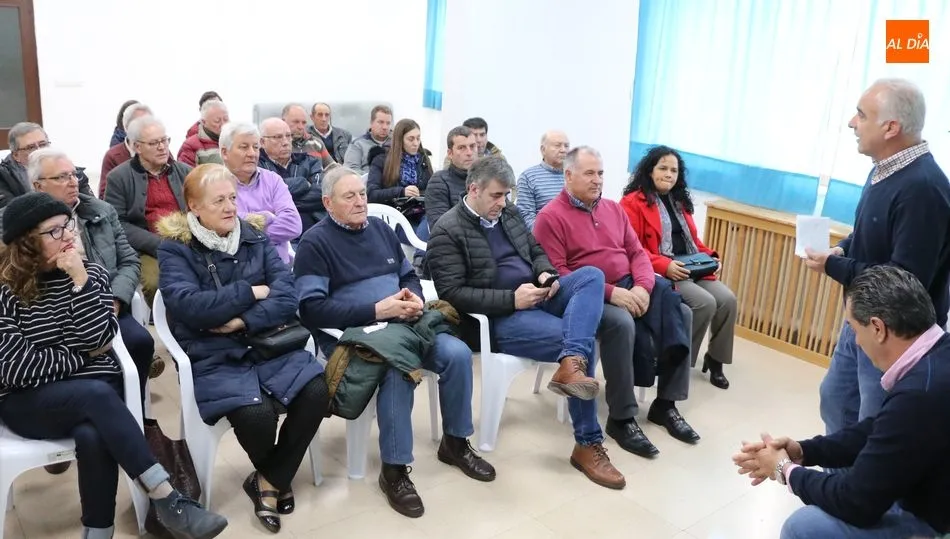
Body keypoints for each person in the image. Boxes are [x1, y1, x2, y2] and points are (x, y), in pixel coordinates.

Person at [0, 192, 228, 539]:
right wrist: (79, 359)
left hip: (90, 396)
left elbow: (99, 339)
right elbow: (15, 369)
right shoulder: (5, 291)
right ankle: (166, 496)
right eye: (55, 231)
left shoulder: (88, 272)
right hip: (28, 402)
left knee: (93, 432)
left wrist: (80, 282)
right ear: (27, 241)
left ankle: (98, 531)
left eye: (69, 226)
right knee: (95, 394)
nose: (69, 236)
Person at [294, 166, 494, 519]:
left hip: (403, 322)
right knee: (397, 369)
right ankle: (395, 469)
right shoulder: (315, 243)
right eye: (349, 196)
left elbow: (406, 274)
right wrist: (375, 309)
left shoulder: (381, 229)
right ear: (328, 203)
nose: (360, 202)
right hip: (357, 336)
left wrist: (412, 297)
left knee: (458, 354)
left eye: (362, 193)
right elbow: (311, 309)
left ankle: (456, 442)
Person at [427, 156, 627, 489]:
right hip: (502, 317)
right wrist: (511, 300)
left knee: (591, 275)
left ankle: (571, 366)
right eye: (495, 196)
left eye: (506, 195)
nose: (502, 203)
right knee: (583, 346)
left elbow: (535, 250)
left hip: (538, 296)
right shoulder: (448, 230)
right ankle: (587, 443)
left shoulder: (510, 213)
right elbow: (453, 293)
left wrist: (545, 273)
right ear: (473, 189)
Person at [157, 164, 327, 534]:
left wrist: (243, 320)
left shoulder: (252, 235)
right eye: (219, 200)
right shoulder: (175, 249)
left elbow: (286, 293)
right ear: (194, 206)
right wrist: (249, 292)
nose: (231, 206)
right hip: (212, 352)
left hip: (266, 343)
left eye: (233, 197)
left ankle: (267, 480)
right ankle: (276, 477)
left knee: (317, 389)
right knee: (258, 414)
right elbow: (190, 307)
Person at [733, 266, 950, 539]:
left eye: (855, 330)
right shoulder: (936, 360)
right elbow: (880, 429)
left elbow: (857, 504)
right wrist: (804, 451)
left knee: (804, 527)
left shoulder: (919, 394)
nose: (856, 342)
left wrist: (784, 469)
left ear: (878, 328)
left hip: (934, 521)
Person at [803, 78, 950, 435]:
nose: (852, 123)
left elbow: (902, 281)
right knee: (836, 400)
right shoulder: (886, 170)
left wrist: (833, 265)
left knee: (874, 424)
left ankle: (865, 490)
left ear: (891, 127)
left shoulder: (923, 189)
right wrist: (844, 248)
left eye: (861, 115)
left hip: (895, 336)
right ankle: (840, 485)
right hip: (863, 320)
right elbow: (872, 229)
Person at [534, 146, 699, 459]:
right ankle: (622, 418)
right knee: (621, 323)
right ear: (568, 176)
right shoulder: (549, 218)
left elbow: (637, 253)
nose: (597, 180)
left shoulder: (612, 209)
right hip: (588, 297)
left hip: (631, 285)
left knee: (682, 312)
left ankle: (666, 404)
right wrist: (613, 293)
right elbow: (560, 275)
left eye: (600, 173)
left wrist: (643, 288)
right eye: (589, 173)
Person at [621, 145, 737, 389]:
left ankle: (716, 359)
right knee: (705, 303)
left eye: (674, 170)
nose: (669, 174)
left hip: (691, 266)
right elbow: (633, 249)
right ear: (649, 171)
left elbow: (692, 242)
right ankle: (678, 364)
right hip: (662, 269)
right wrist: (665, 265)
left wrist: (711, 259)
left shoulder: (679, 200)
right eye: (662, 168)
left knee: (727, 299)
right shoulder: (632, 202)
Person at [105, 116, 190, 306]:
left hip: (187, 241)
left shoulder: (185, 172)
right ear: (137, 147)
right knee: (156, 282)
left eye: (164, 140)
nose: (162, 147)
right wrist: (159, 244)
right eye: (154, 143)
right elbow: (118, 223)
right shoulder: (118, 177)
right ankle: (167, 323)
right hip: (147, 247)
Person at [219, 122, 301, 265]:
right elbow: (220, 229)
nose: (252, 153)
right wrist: (268, 216)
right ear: (225, 152)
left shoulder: (273, 180)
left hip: (279, 268)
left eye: (256, 147)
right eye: (244, 147)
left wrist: (245, 225)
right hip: (235, 269)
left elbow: (293, 225)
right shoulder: (213, 184)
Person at [366, 118, 433, 241]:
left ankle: (420, 256)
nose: (416, 143)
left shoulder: (423, 159)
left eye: (418, 138)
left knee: (434, 227)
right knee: (425, 238)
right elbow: (371, 194)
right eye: (411, 139)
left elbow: (431, 189)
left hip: (421, 212)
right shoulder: (381, 159)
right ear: (400, 140)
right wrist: (401, 191)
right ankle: (421, 255)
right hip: (394, 216)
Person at [0, 122, 93, 208]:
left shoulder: (71, 172)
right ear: (16, 155)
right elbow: (10, 213)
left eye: (43, 144)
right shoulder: (4, 177)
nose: (39, 150)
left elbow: (93, 206)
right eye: (31, 147)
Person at [258, 118, 325, 236]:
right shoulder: (257, 166)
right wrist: (303, 183)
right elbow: (262, 199)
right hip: (277, 235)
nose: (285, 142)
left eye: (288, 136)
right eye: (278, 137)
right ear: (262, 142)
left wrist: (280, 202)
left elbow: (322, 194)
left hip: (315, 231)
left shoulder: (309, 162)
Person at [515, 130, 569, 229]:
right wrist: (548, 234)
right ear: (543, 150)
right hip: (545, 238)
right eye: (557, 145)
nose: (563, 150)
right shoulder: (528, 177)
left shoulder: (575, 176)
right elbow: (525, 216)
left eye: (566, 146)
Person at [426, 125, 477, 228]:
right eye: (462, 148)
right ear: (450, 153)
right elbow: (439, 227)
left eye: (472, 146)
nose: (469, 153)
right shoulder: (439, 181)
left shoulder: (487, 178)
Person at [101, 102, 153, 198]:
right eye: (140, 124)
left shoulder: (162, 151)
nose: (146, 129)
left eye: (150, 123)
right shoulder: (113, 156)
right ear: (126, 127)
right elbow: (105, 196)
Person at [177, 100, 228, 167]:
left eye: (226, 119)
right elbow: (186, 175)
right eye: (217, 121)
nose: (223, 124)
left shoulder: (236, 139)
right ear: (204, 122)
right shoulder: (190, 146)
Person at [343, 105, 393, 174]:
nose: (385, 127)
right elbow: (350, 171)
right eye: (381, 122)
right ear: (371, 122)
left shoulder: (397, 143)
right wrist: (374, 177)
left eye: (388, 123)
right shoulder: (357, 145)